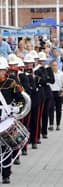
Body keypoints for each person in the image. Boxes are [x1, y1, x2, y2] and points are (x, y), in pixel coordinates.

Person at [0, 56, 24, 184]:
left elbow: (20, 99)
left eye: (1, 70)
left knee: (6, 146)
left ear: (5, 71)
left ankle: (6, 173)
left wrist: (17, 108)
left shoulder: (11, 83)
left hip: (6, 116)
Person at [48, 60, 63, 131]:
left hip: (58, 92)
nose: (54, 67)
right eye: (53, 65)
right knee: (51, 109)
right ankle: (51, 124)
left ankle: (58, 124)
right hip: (51, 92)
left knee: (59, 109)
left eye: (56, 65)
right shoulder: (49, 74)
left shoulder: (61, 74)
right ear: (51, 66)